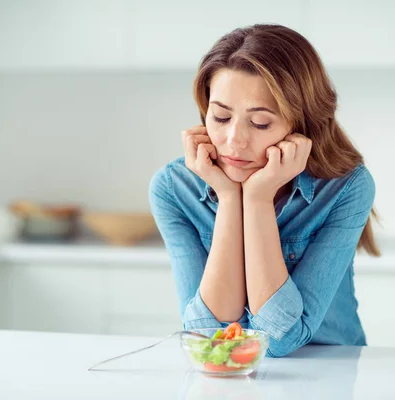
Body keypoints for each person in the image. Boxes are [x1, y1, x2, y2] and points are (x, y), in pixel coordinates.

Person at [148, 24, 379, 357]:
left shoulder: (347, 188)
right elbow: (209, 338)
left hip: (334, 372)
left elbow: (280, 338)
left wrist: (257, 199)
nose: (234, 141)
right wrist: (229, 199)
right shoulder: (173, 188)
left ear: (300, 125)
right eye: (221, 117)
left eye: (260, 123)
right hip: (231, 382)